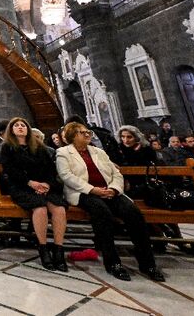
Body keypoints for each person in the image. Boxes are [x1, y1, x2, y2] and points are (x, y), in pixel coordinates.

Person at [56, 121, 164, 282]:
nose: (87, 134)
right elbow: (67, 176)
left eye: (87, 132)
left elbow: (116, 173)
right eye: (82, 132)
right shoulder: (63, 153)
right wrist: (93, 189)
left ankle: (148, 263)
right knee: (102, 214)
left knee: (133, 213)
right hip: (85, 193)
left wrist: (113, 189)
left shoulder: (98, 152)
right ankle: (113, 263)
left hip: (109, 191)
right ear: (72, 136)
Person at [0, 117, 68, 271]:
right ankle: (43, 247)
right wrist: (30, 182)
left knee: (59, 208)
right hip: (21, 186)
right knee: (40, 208)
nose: (20, 127)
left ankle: (58, 249)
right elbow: (10, 170)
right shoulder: (8, 147)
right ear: (11, 130)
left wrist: (47, 184)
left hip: (43, 186)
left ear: (28, 129)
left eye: (23, 125)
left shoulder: (39, 147)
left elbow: (50, 169)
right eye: (16, 125)